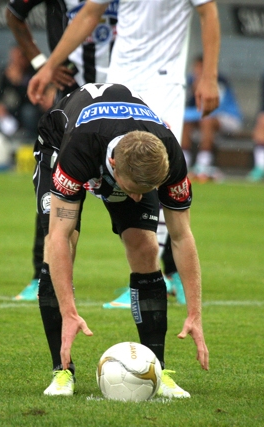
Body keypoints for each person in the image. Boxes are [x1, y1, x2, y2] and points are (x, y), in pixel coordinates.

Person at [26, 0, 221, 309]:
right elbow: (90, 12)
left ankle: (155, 274)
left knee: (153, 172)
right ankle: (153, 273)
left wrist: (209, 76)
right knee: (119, 170)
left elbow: (208, 12)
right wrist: (50, 65)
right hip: (121, 74)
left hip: (163, 78)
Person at [33, 82, 208, 397]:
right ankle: (62, 371)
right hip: (59, 145)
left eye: (146, 190)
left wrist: (195, 312)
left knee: (145, 246)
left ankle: (158, 368)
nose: (140, 197)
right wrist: (69, 311)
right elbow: (58, 236)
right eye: (134, 189)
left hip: (124, 152)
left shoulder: (168, 151)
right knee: (62, 243)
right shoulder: (81, 148)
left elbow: (182, 237)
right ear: (113, 165)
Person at [6, 0, 118, 301]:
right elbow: (14, 15)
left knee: (144, 173)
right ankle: (41, 275)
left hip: (125, 90)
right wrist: (43, 64)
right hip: (74, 96)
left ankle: (167, 275)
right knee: (56, 179)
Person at [182, 57, 243, 183]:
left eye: (201, 68)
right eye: (196, 68)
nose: (198, 72)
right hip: (201, 117)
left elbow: (213, 109)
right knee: (186, 123)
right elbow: (187, 109)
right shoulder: (189, 81)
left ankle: (203, 164)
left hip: (228, 117)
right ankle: (183, 162)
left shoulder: (219, 81)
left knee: (207, 120)